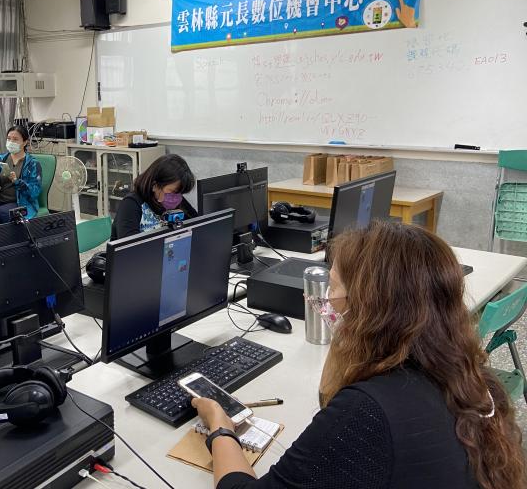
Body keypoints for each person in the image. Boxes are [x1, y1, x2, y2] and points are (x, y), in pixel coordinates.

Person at [193, 221, 525, 489]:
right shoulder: (464, 373)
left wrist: (220, 428)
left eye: (334, 286)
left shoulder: (366, 411)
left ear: (368, 308)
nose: (328, 299)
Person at [111, 153, 196, 240]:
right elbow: (128, 245)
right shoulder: (131, 204)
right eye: (173, 192)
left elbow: (197, 225)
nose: (177, 198)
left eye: (181, 193)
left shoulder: (176, 199)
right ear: (154, 185)